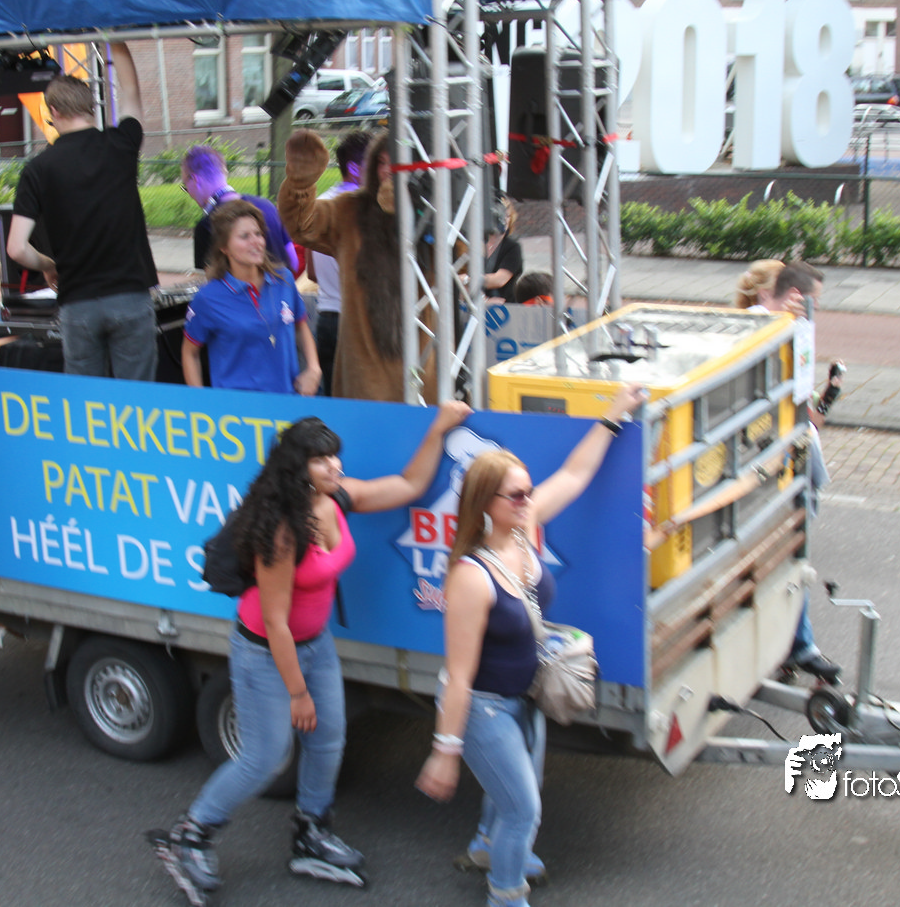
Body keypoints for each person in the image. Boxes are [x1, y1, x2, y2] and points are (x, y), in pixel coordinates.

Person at [153, 404, 471, 901]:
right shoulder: (281, 531)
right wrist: (298, 693)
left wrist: (439, 427)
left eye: (335, 456)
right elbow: (275, 621)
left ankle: (311, 832)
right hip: (265, 650)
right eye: (321, 460)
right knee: (264, 758)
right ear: (296, 468)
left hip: (316, 643)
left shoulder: (337, 498)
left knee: (328, 740)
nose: (335, 466)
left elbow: (408, 484)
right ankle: (190, 836)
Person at [415, 385, 645, 907]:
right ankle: (505, 895)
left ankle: (486, 845)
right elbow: (459, 676)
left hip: (526, 697)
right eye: (515, 495)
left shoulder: (522, 530)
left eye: (527, 491)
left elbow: (575, 474)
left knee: (514, 798)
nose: (527, 500)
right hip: (485, 709)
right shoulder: (471, 577)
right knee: (524, 812)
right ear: (486, 505)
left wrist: (613, 415)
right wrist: (444, 752)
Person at [6, 42, 160, 382]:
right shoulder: (120, 144)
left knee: (85, 402)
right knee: (137, 400)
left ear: (54, 112)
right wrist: (115, 40)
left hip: (77, 302)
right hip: (130, 295)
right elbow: (131, 92)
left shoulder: (38, 168)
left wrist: (49, 264)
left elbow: (16, 248)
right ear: (91, 106)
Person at [742, 259, 843, 683]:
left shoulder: (796, 333)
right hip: (775, 465)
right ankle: (799, 647)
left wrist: (829, 395)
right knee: (786, 553)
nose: (817, 309)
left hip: (801, 461)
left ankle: (791, 645)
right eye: (814, 300)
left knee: (790, 553)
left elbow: (807, 413)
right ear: (795, 296)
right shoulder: (760, 326)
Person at [277, 131, 421, 402]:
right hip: (362, 353)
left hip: (420, 351)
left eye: (397, 163)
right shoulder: (350, 210)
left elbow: (465, 255)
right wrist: (300, 181)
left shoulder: (431, 214)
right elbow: (301, 224)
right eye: (382, 162)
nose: (389, 171)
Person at [181, 201, 321, 396]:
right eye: (244, 236)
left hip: (287, 401)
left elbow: (301, 325)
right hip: (237, 408)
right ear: (224, 247)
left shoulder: (284, 280)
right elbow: (190, 353)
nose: (256, 242)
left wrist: (313, 368)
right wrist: (201, 401)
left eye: (258, 234)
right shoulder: (208, 298)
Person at [310, 131, 371, 396]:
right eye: (377, 163)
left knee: (335, 402)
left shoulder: (320, 204)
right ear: (355, 168)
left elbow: (312, 272)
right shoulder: (362, 208)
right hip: (359, 320)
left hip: (327, 317)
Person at [183, 144, 297, 274]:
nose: (189, 193)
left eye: (185, 186)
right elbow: (293, 261)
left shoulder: (207, 225)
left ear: (195, 180)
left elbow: (212, 279)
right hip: (284, 285)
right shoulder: (267, 205)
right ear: (224, 171)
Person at [481, 197, 524, 302]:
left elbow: (499, 280)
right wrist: (484, 300)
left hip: (505, 306)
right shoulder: (474, 243)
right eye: (500, 216)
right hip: (476, 304)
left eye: (508, 216)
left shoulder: (513, 247)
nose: (504, 220)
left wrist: (468, 280)